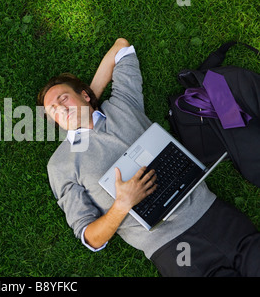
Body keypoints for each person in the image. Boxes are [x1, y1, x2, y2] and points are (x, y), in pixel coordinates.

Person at [37, 38, 260, 276]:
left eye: (63, 98)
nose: (60, 108)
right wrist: (122, 204)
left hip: (213, 213)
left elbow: (121, 47)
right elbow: (89, 238)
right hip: (171, 246)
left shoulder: (123, 104)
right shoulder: (61, 164)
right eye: (52, 110)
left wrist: (85, 101)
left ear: (86, 95)